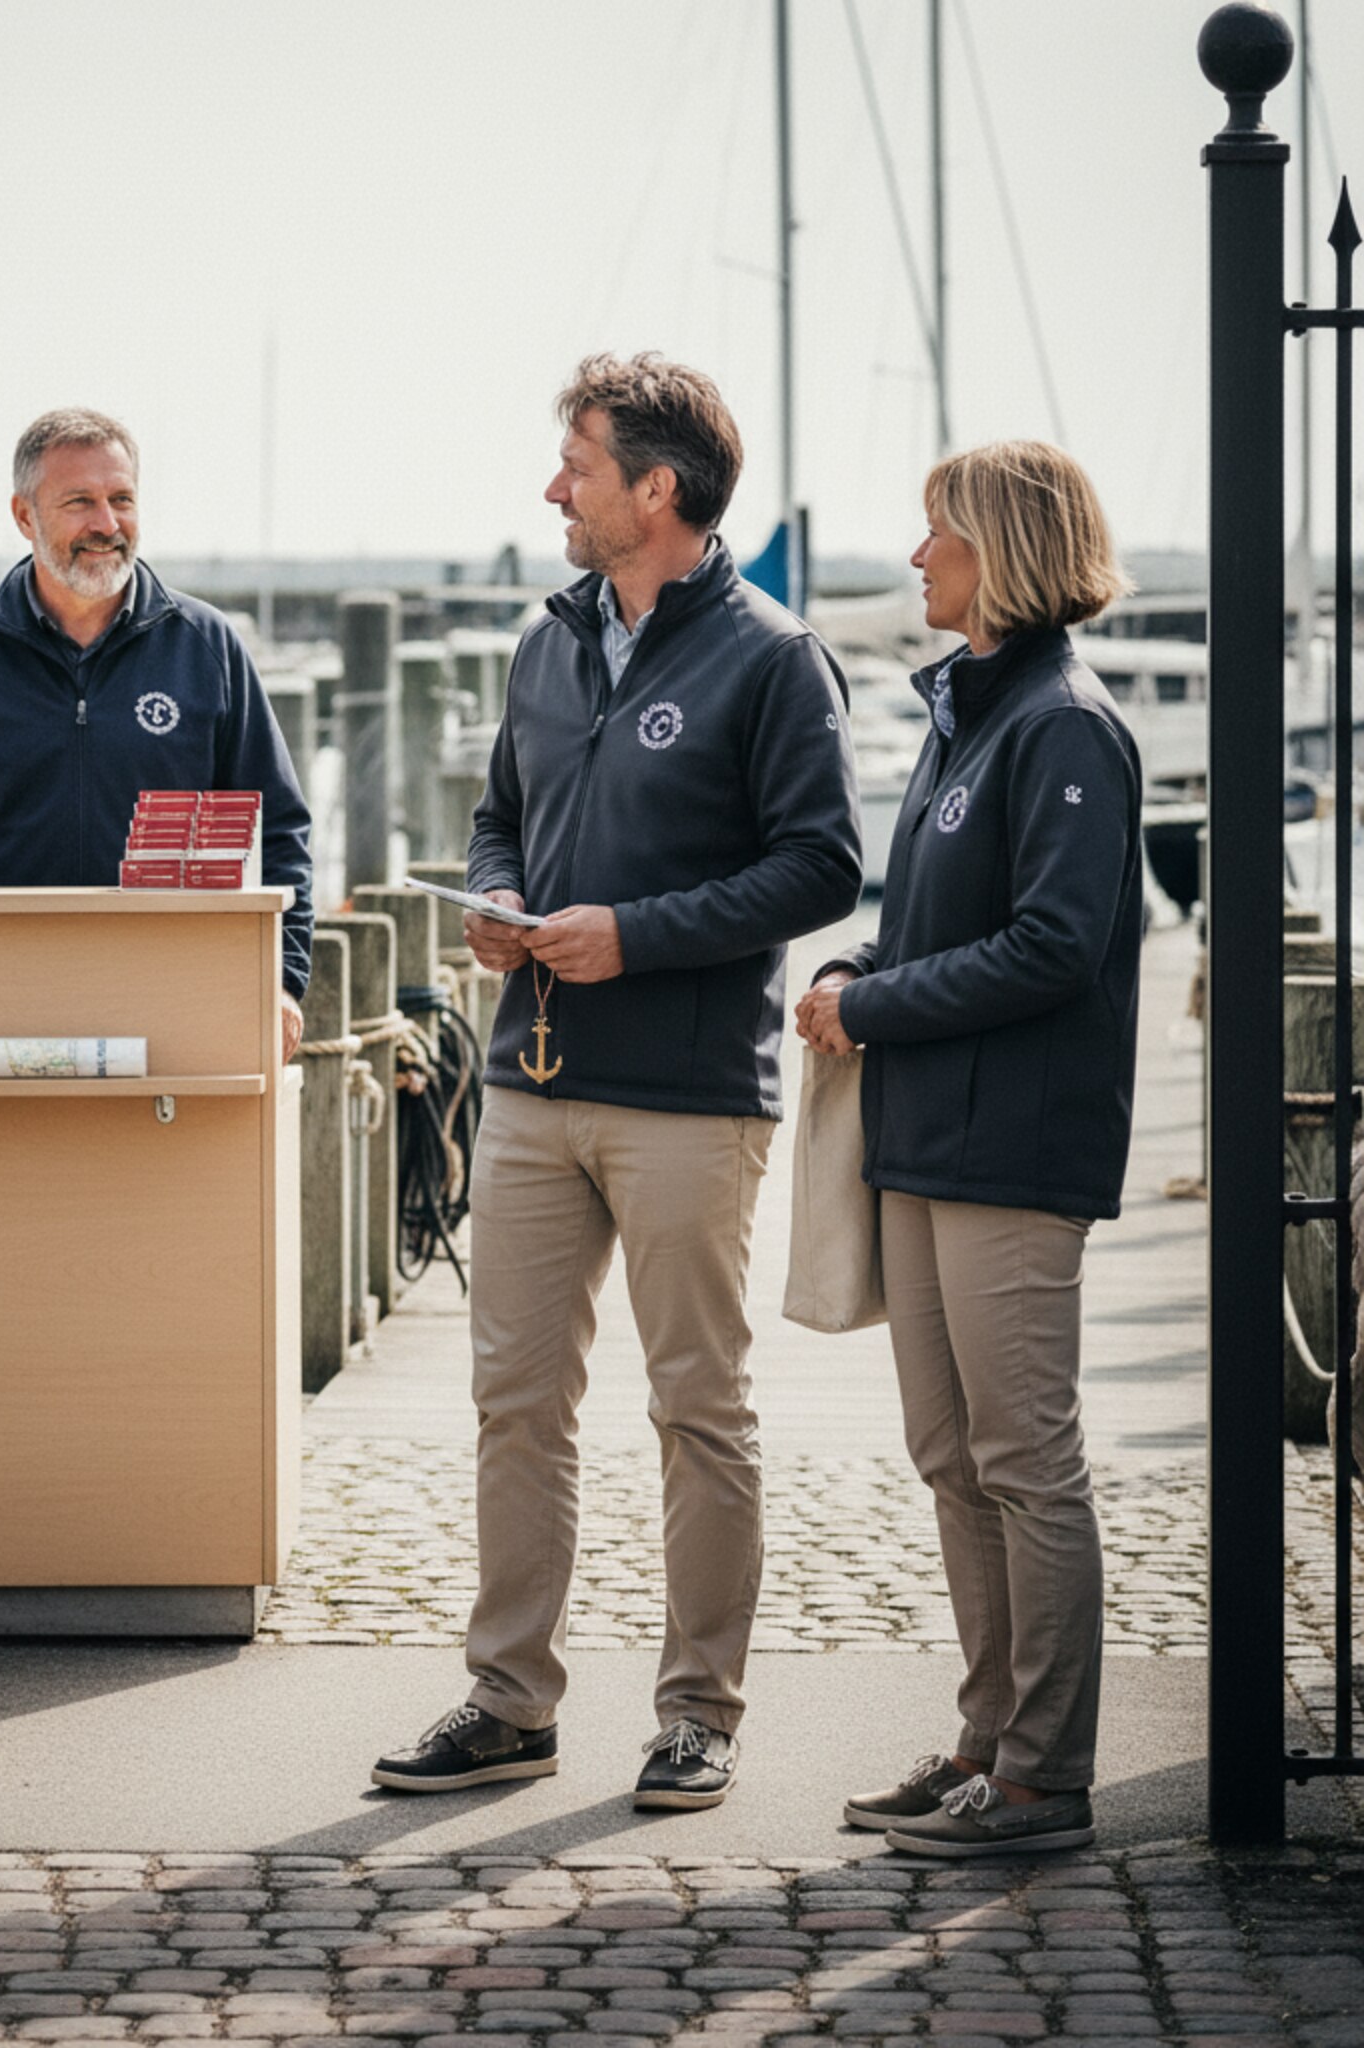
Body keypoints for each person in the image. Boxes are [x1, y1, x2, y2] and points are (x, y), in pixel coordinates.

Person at [370, 352, 863, 1809]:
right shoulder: (549, 641)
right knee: (515, 1401)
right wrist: (498, 897)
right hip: (528, 1081)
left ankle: (700, 1711)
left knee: (697, 1408)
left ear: (656, 488)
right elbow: (499, 817)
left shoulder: (773, 659)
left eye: (576, 467)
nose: (552, 492)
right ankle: (510, 1701)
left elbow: (823, 865)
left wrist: (631, 937)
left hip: (691, 1097)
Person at [794, 439, 1141, 1857]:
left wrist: (871, 1006)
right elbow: (954, 922)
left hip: (1013, 1146)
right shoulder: (967, 717)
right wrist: (861, 966)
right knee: (952, 1455)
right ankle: (988, 1741)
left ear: (998, 548)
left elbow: (1056, 946)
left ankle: (1047, 1778)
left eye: (935, 530)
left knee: (1023, 1458)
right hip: (927, 1142)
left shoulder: (1064, 725)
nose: (917, 555)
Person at [0, 407, 313, 1055]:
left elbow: (279, 831)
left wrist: (283, 979)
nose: (107, 524)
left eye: (122, 499)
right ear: (23, 516)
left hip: (174, 1004)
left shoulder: (207, 649)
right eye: (79, 502)